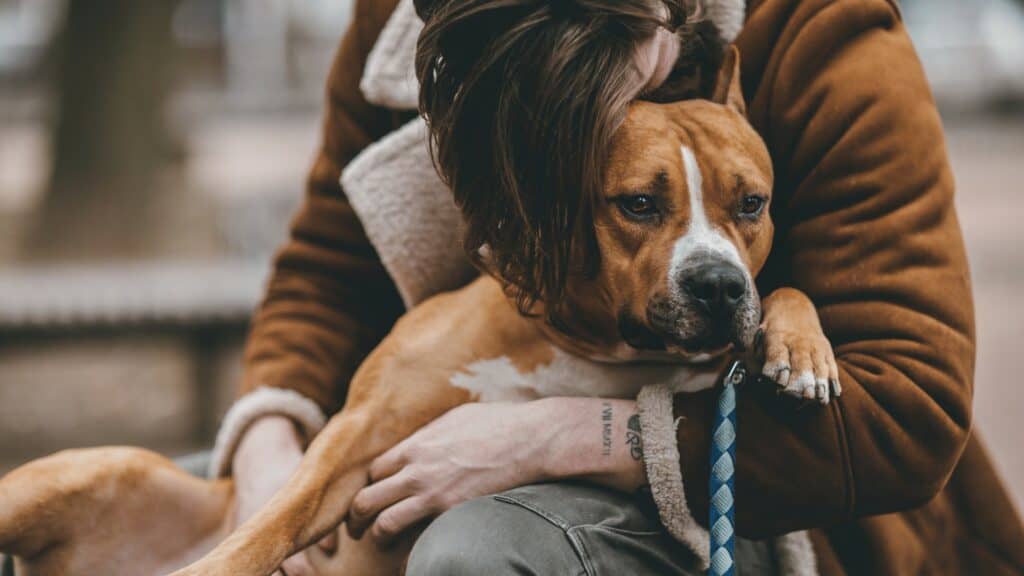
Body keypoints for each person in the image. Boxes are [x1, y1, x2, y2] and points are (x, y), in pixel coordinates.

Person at [212, 0, 1024, 574]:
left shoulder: (825, 36)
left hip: (792, 512)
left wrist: (555, 437)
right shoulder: (411, 32)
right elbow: (325, 268)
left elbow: (908, 413)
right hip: (429, 448)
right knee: (132, 495)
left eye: (615, 64)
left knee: (479, 551)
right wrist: (267, 461)